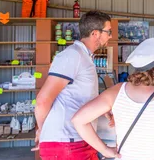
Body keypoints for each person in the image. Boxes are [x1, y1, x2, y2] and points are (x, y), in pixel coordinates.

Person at [33, 11, 113, 159]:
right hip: (67, 142)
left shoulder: (84, 57)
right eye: (109, 31)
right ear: (95, 33)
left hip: (78, 139)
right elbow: (43, 100)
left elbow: (77, 96)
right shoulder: (72, 56)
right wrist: (43, 130)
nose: (111, 36)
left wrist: (100, 110)